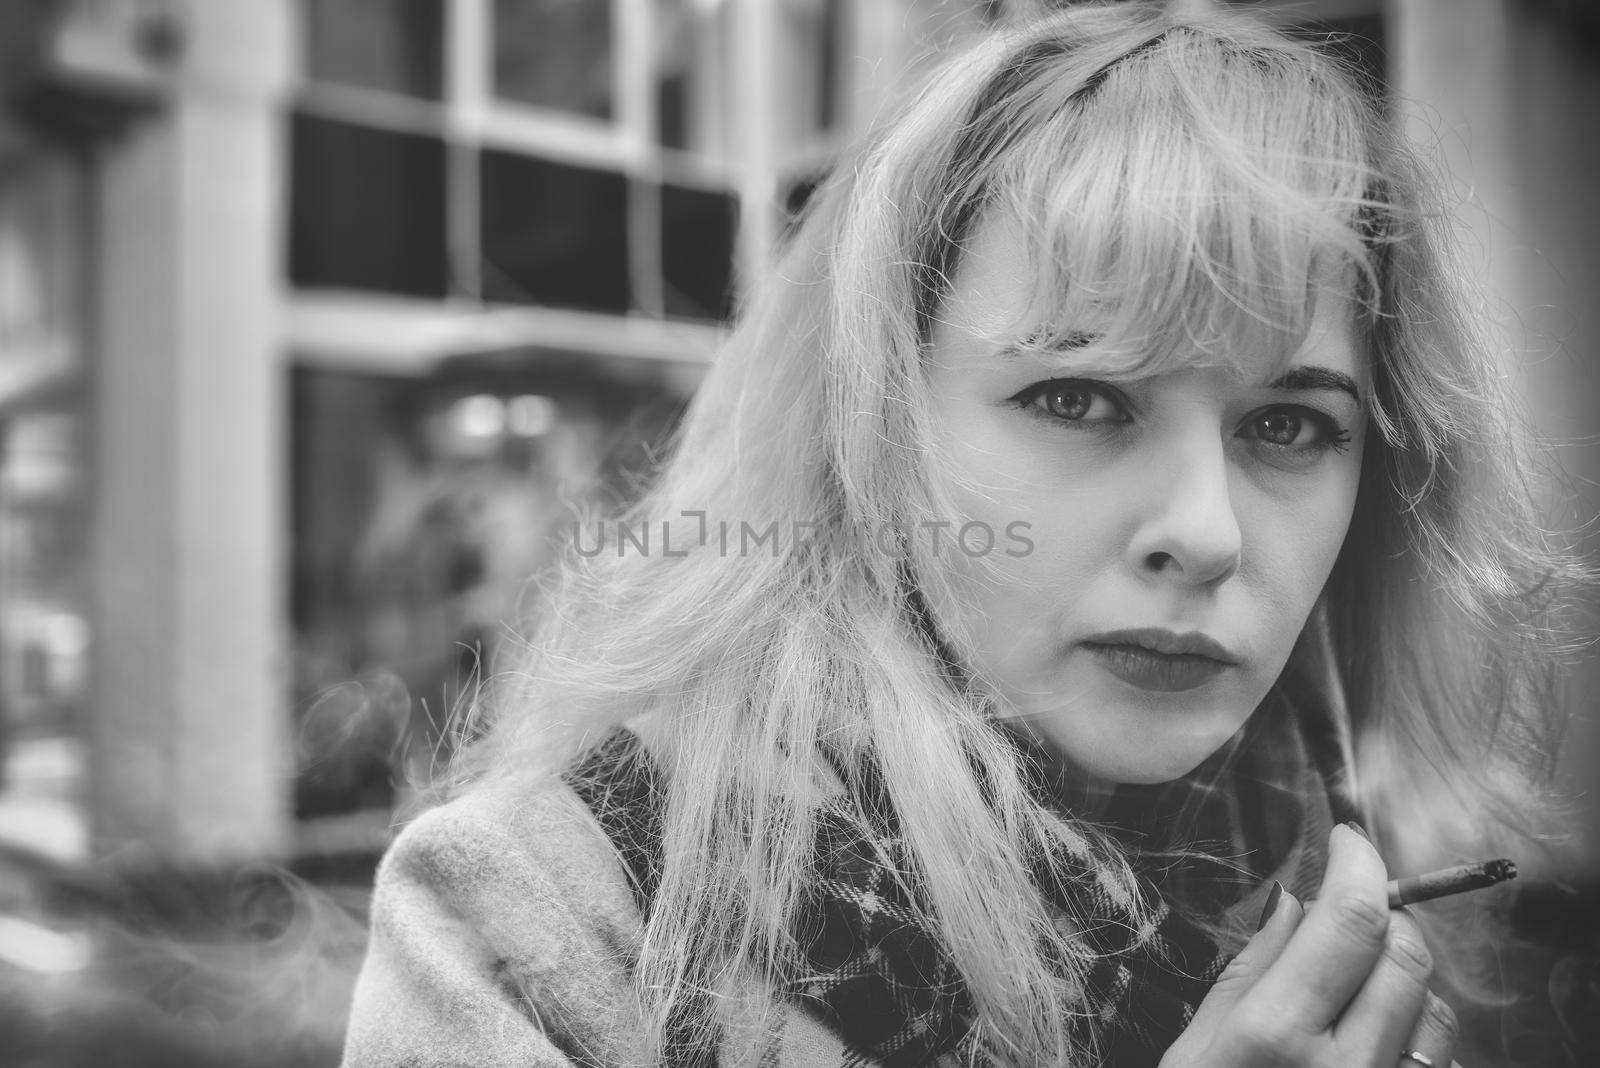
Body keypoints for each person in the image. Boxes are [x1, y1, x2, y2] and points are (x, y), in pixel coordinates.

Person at [339, 2, 1593, 1065]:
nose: (1204, 533)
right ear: (877, 432)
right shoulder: (542, 915)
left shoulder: (1367, 891)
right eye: (1078, 399)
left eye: (1290, 427)